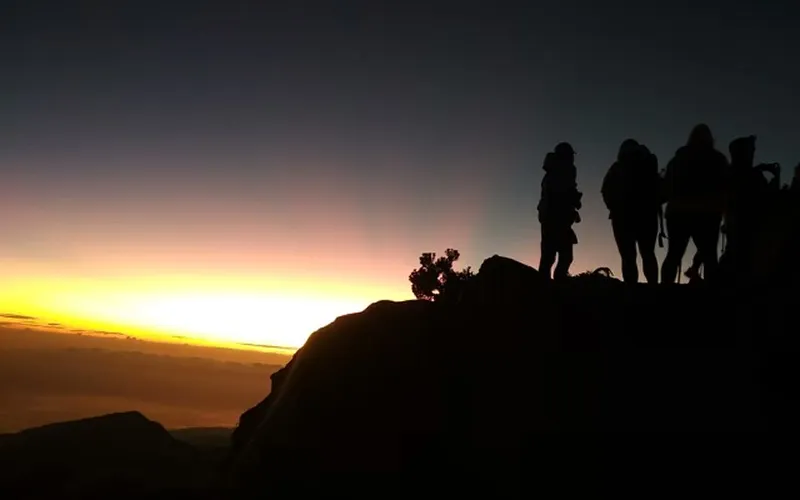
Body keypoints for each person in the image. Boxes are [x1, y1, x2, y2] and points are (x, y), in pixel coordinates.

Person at [660, 124, 728, 284]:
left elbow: (667, 187)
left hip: (678, 213)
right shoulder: (718, 159)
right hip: (708, 214)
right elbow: (725, 186)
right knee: (710, 256)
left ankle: (662, 293)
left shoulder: (677, 159)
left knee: (673, 255)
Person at [601, 139, 661, 284]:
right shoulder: (648, 165)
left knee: (628, 257)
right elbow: (660, 189)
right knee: (648, 254)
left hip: (622, 218)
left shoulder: (617, 168)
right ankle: (654, 287)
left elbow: (605, 190)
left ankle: (630, 289)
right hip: (648, 216)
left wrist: (614, 208)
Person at [538, 142, 582, 280]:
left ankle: (552, 286)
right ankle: (551, 287)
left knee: (557, 256)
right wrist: (574, 200)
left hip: (556, 219)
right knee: (555, 256)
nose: (572, 158)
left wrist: (573, 207)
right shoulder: (559, 172)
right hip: (554, 220)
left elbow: (564, 193)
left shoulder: (559, 171)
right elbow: (560, 194)